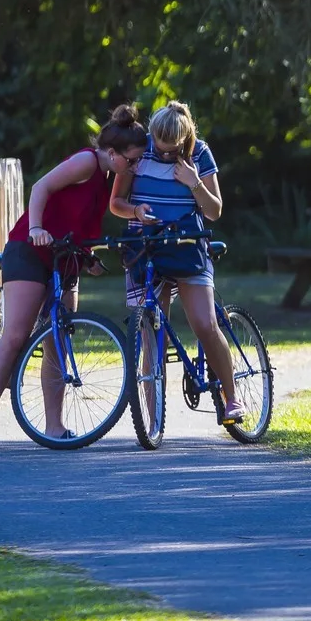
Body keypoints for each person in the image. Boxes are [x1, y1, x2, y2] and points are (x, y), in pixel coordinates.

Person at [0, 106, 151, 449]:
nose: (135, 167)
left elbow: (78, 224)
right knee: (15, 336)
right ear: (112, 153)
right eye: (131, 160)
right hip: (30, 250)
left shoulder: (108, 177)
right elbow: (41, 187)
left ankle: (53, 426)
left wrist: (88, 260)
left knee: (59, 336)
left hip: (65, 258)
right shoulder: (87, 162)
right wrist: (37, 227)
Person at [108, 102, 244, 425]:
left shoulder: (200, 155)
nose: (164, 155)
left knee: (204, 324)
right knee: (153, 334)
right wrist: (136, 212)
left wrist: (194, 182)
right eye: (160, 148)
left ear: (184, 141)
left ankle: (233, 398)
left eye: (171, 151)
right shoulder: (140, 154)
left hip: (187, 248)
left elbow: (214, 212)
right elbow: (116, 203)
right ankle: (154, 418)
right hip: (147, 249)